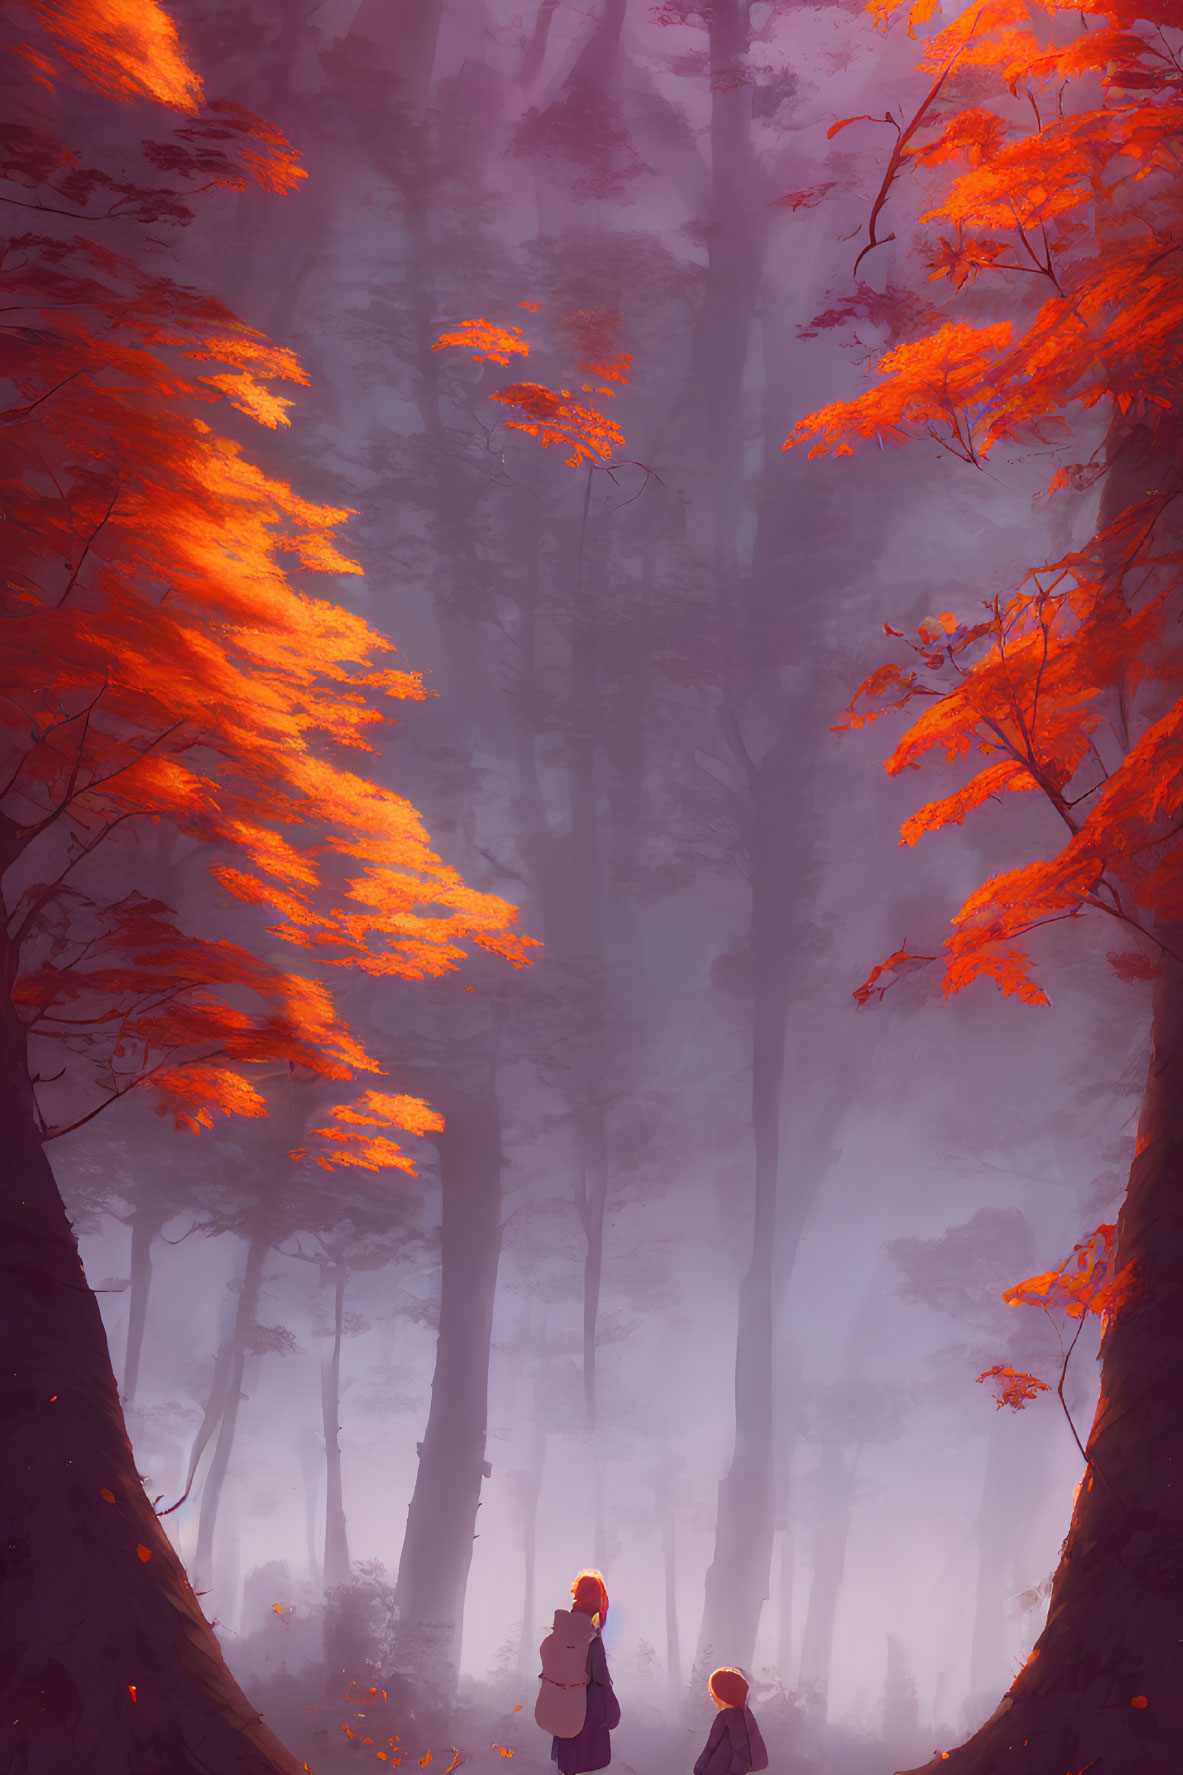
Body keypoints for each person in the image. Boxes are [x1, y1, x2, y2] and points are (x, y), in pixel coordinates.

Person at [534, 1569, 620, 1774]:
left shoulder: (563, 1626)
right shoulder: (591, 1632)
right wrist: (612, 1709)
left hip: (564, 1701)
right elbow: (599, 1675)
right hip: (590, 1705)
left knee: (567, 1761)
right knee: (588, 1766)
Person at [693, 1668, 768, 1775]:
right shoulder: (741, 1714)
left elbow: (741, 1753)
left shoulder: (732, 1716)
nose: (712, 1697)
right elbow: (711, 1747)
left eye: (713, 1692)